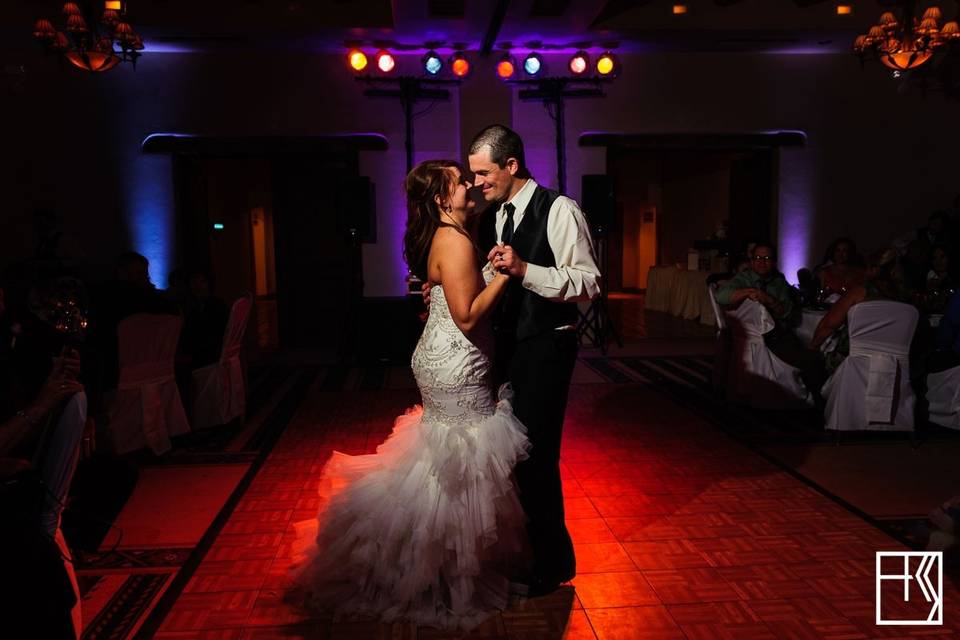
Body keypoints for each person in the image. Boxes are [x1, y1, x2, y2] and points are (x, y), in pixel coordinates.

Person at [292, 160, 529, 630]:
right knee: (462, 465)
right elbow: (467, 316)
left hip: (442, 357)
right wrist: (506, 273)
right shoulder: (455, 240)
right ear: (442, 199)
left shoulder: (447, 234)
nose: (468, 183)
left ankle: (431, 566)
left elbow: (441, 295)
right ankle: (444, 577)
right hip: (457, 360)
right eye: (459, 181)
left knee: (442, 464)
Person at [468, 124, 601, 596]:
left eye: (483, 174)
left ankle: (553, 563)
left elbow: (588, 283)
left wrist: (526, 269)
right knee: (507, 457)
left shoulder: (560, 210)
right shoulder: (491, 218)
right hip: (505, 348)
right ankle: (522, 552)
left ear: (511, 165)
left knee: (536, 455)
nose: (477, 184)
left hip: (547, 346)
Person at [715, 242, 825, 395]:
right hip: (767, 339)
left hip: (782, 335)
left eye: (767, 258)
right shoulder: (743, 278)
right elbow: (721, 296)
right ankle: (816, 405)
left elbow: (787, 313)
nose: (762, 261)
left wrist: (768, 299)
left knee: (815, 353)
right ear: (752, 261)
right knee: (814, 361)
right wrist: (749, 291)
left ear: (773, 262)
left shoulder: (779, 282)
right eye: (758, 257)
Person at [810, 248, 909, 373]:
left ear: (873, 270)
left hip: (853, 366)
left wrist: (811, 349)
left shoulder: (859, 294)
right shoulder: (906, 300)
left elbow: (828, 326)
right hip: (892, 368)